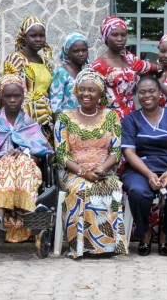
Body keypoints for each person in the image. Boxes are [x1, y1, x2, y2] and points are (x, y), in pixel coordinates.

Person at [54, 69, 126, 258]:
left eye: (91, 90)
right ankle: (79, 246)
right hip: (74, 172)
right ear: (76, 91)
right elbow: (61, 154)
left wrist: (101, 169)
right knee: (81, 189)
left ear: (100, 94)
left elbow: (116, 151)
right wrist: (83, 172)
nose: (86, 94)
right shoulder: (64, 117)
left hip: (103, 171)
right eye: (82, 89)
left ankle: (108, 246)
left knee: (113, 187)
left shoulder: (111, 117)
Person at [121, 76, 167, 256]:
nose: (147, 95)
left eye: (152, 91)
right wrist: (147, 173)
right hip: (141, 168)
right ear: (137, 95)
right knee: (137, 192)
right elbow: (129, 152)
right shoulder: (132, 119)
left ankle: (165, 233)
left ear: (160, 93)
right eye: (142, 92)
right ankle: (144, 232)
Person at [0, 74, 51, 243]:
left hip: (26, 170)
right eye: (7, 96)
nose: (12, 100)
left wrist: (24, 152)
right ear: (0, 96)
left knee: (22, 160)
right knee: (8, 162)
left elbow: (41, 151)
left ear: (23, 96)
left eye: (17, 95)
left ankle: (23, 213)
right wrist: (3, 155)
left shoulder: (29, 122)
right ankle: (2, 216)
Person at [90, 16, 157, 119]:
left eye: (123, 35)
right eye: (115, 35)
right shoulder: (98, 66)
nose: (120, 39)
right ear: (106, 37)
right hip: (108, 122)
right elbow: (91, 99)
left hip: (131, 119)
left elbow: (155, 68)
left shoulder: (130, 60)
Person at [4, 16, 54, 126]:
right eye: (33, 36)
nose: (38, 39)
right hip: (23, 118)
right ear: (24, 37)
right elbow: (8, 91)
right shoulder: (15, 59)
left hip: (45, 118)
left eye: (41, 36)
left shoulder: (46, 62)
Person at [49, 31, 90, 114]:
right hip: (66, 123)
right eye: (76, 51)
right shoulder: (61, 73)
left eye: (84, 50)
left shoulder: (87, 73)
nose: (81, 54)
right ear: (68, 53)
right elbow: (55, 107)